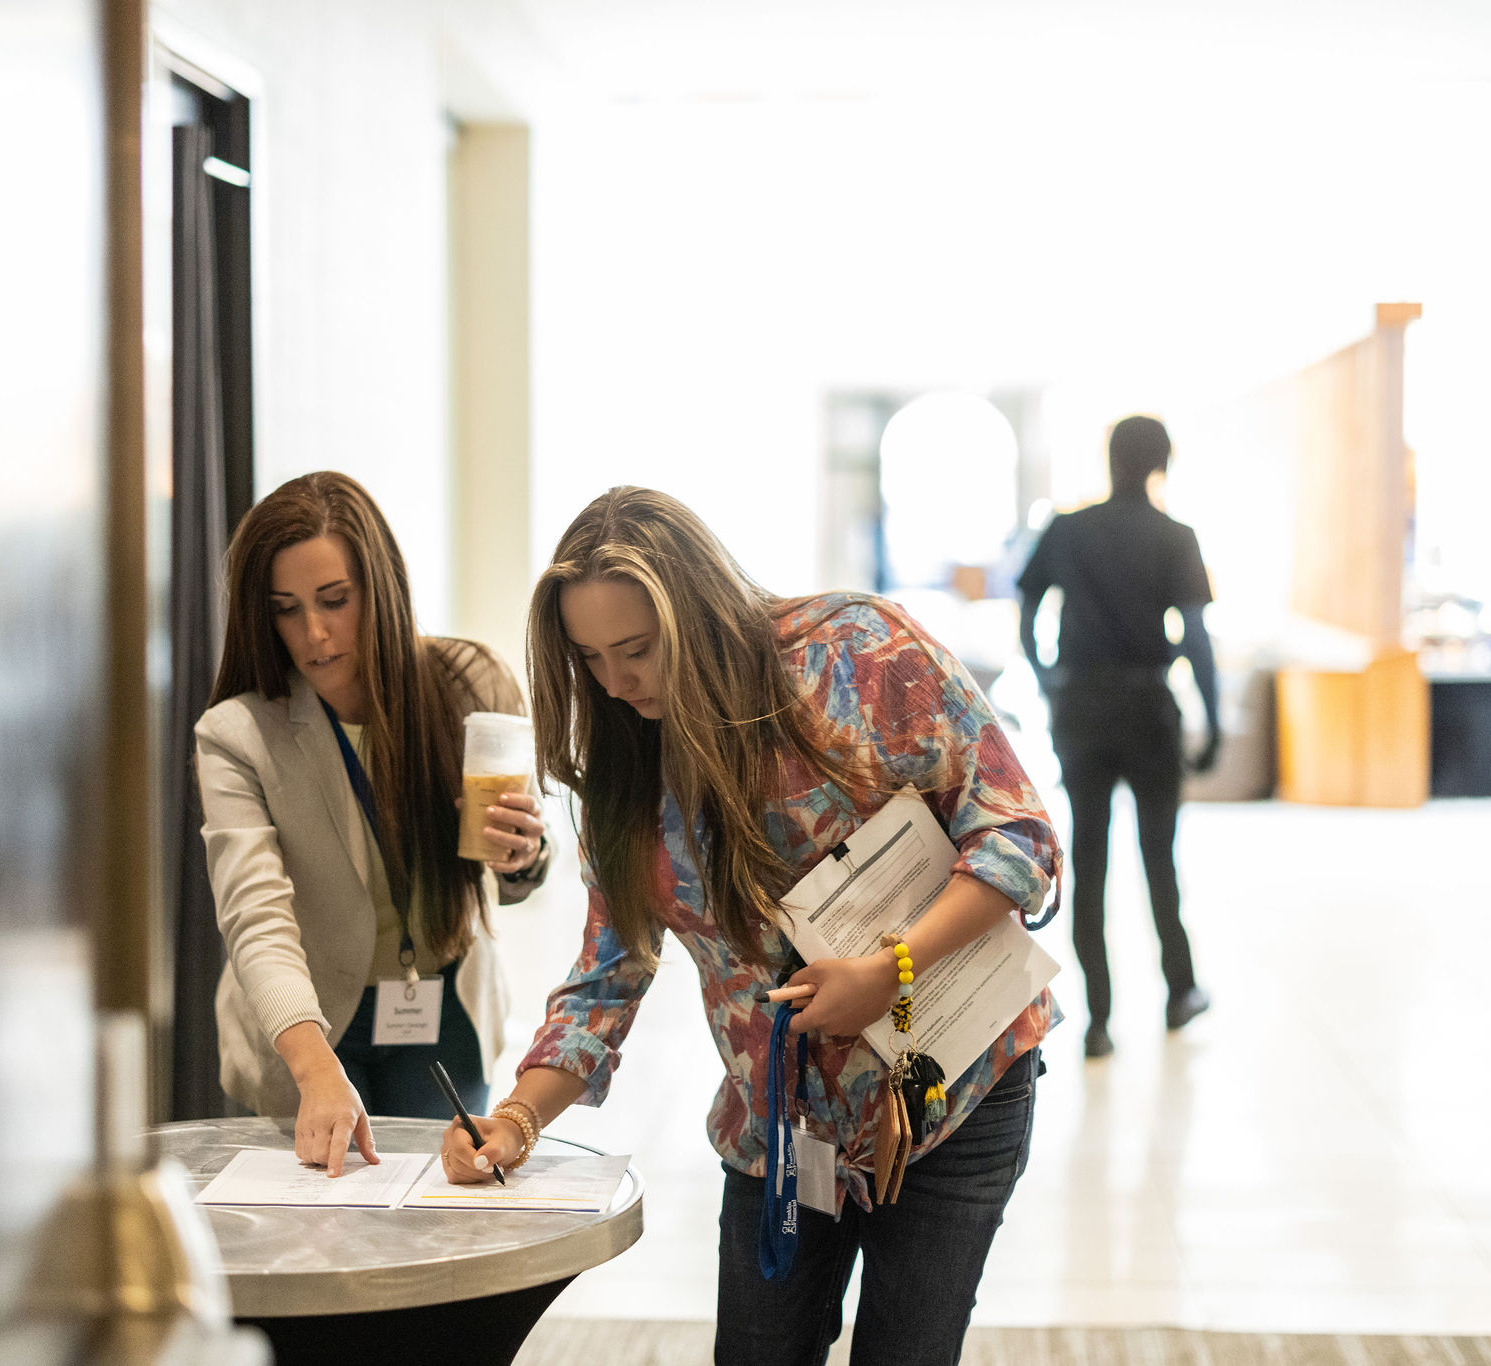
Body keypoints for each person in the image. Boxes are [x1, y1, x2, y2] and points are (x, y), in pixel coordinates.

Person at [438, 487, 1061, 1366]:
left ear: (694, 612)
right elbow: (606, 977)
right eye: (590, 658)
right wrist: (515, 1122)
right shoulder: (628, 759)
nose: (616, 683)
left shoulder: (859, 653)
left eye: (637, 650)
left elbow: (1019, 836)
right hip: (780, 1131)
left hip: (951, 1093)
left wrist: (892, 971)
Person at [195, 471, 550, 1174]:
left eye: (334, 601)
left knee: (435, 1216)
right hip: (306, 1020)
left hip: (442, 1005)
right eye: (286, 609)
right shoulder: (237, 735)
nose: (315, 634)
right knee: (318, 1229)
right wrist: (314, 1066)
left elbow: (520, 871)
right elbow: (255, 918)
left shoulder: (470, 683)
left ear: (380, 589)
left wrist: (524, 856)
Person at [1016, 415, 1215, 1060]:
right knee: (1161, 857)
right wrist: (1210, 715)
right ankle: (1179, 992)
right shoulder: (1175, 536)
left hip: (1083, 709)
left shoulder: (1069, 529)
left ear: (1108, 459)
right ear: (1162, 463)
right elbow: (1198, 636)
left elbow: (1027, 608)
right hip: (1150, 706)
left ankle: (1099, 1020)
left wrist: (1048, 675)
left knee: (1090, 858)